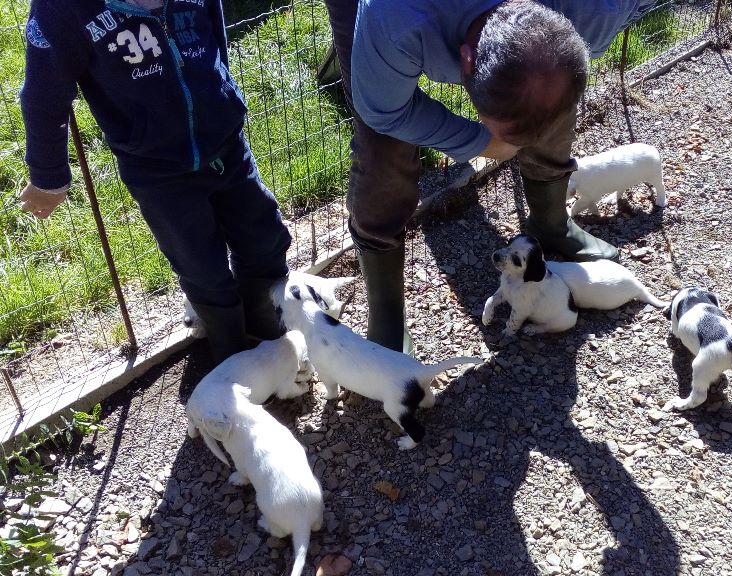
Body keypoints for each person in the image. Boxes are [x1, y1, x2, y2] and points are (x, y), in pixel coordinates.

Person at [324, 0, 658, 353]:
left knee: (547, 92)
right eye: (513, 142)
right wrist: (481, 141)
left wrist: (523, 129)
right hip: (400, 21)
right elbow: (384, 112)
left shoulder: (596, 11)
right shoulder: (393, 20)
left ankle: (551, 222)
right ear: (465, 61)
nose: (519, 147)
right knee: (384, 150)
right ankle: (387, 313)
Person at [18, 0, 292, 362]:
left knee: (264, 237)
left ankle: (265, 325)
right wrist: (49, 177)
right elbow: (43, 94)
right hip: (156, 167)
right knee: (201, 267)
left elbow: (214, 26)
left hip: (225, 142)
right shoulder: (62, 9)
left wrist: (223, 93)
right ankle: (232, 351)